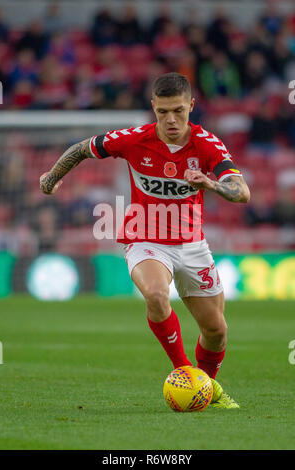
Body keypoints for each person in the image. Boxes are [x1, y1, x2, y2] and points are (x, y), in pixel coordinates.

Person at [40, 72, 250, 409]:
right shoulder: (133, 139)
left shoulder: (207, 144)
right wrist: (51, 178)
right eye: (163, 111)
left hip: (192, 245)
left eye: (178, 111)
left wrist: (211, 184)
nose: (170, 119)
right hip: (145, 238)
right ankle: (185, 373)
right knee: (155, 293)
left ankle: (208, 388)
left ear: (192, 106)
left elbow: (242, 192)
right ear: (153, 107)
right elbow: (82, 149)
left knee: (216, 331)